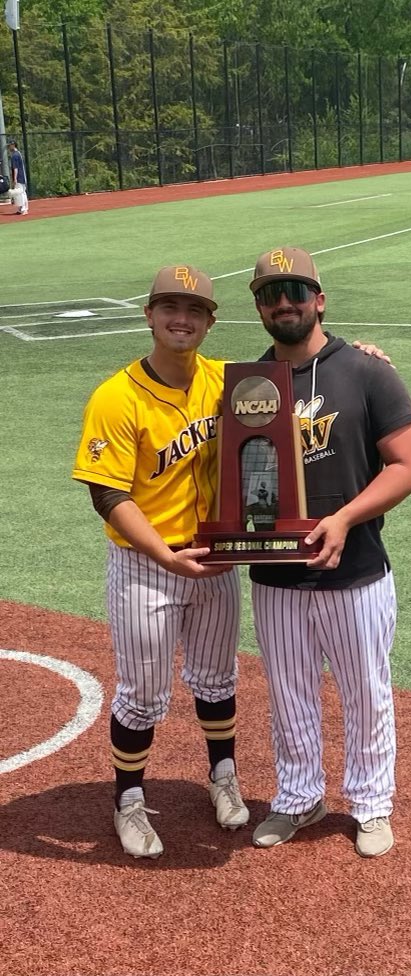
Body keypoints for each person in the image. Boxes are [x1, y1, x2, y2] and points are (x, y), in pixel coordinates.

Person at [248, 246, 411, 857]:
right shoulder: (243, 382)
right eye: (270, 294)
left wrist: (345, 518)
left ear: (319, 299)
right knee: (289, 693)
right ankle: (298, 797)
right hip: (274, 573)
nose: (284, 302)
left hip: (355, 572)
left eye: (296, 289)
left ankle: (371, 804)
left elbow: (409, 466)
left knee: (365, 689)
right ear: (259, 307)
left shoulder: (367, 371)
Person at [72, 265, 250, 859]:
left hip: (216, 560)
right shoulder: (116, 396)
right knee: (144, 694)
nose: (183, 319)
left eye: (195, 310)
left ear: (210, 321)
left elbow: (295, 389)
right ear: (149, 315)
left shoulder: (225, 379)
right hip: (148, 566)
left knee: (218, 680)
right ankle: (128, 802)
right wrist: (165, 558)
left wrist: (361, 353)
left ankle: (222, 775)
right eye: (171, 307)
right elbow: (108, 494)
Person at [8, 140, 29, 215]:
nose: (9, 146)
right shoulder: (18, 153)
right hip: (22, 176)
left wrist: (15, 178)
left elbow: (15, 168)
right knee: (22, 192)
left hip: (19, 177)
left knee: (20, 192)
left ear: (13, 145)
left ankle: (23, 209)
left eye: (10, 145)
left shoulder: (15, 155)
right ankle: (22, 208)